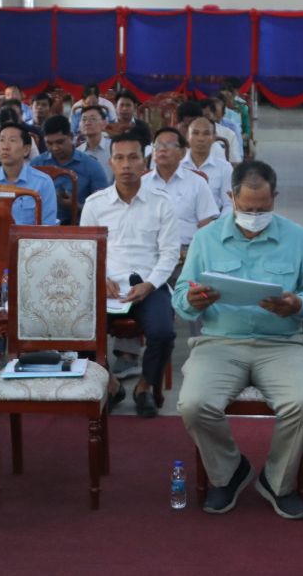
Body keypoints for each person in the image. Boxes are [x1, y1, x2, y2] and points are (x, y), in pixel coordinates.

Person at [175, 159, 303, 521]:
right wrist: (193, 300)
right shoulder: (206, 238)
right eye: (247, 208)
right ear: (231, 197)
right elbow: (181, 296)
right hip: (219, 343)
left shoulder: (297, 237)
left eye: (263, 208)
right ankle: (229, 472)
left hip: (281, 344)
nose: (255, 216)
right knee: (194, 404)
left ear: (275, 197)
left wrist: (299, 303)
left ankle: (278, 482)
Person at [80, 132, 179, 418]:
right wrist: (100, 278)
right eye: (119, 158)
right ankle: (111, 385)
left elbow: (170, 253)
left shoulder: (162, 203)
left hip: (148, 286)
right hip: (107, 287)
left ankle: (144, 387)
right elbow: (85, 252)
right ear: (110, 162)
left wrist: (150, 284)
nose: (126, 165)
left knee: (163, 332)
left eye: (133, 157)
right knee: (77, 328)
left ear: (144, 162)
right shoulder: (95, 204)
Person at [0, 122, 57, 285]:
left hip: (32, 254)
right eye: (1, 140)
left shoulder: (43, 183)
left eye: (12, 140)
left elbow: (47, 227)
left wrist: (27, 258)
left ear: (26, 150)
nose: (5, 146)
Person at [30, 114, 108, 224]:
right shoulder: (36, 165)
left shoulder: (91, 166)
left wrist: (76, 206)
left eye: (60, 142)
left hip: (79, 226)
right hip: (41, 225)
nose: (55, 148)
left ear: (71, 137)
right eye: (49, 143)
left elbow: (103, 209)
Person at [182, 114, 234, 214]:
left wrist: (219, 222)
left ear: (214, 137)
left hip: (214, 220)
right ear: (187, 136)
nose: (200, 138)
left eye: (206, 134)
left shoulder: (224, 168)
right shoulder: (177, 166)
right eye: (195, 133)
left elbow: (229, 204)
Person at [77, 103, 111, 174]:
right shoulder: (77, 153)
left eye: (93, 119)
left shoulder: (113, 148)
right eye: (84, 119)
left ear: (104, 123)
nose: (87, 123)